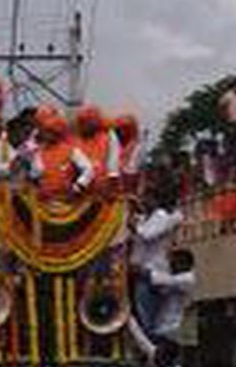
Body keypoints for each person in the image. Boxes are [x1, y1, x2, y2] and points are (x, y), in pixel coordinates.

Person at [130, 186, 185, 332]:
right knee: (145, 314)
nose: (143, 201)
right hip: (142, 272)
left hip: (152, 271)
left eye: (145, 198)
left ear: (154, 200)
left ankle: (155, 347)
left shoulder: (160, 216)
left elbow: (148, 234)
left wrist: (135, 225)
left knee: (149, 318)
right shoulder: (146, 218)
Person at [27, 105, 93, 201]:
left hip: (67, 201)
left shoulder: (72, 151)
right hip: (45, 202)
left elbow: (88, 169)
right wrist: (38, 189)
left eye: (50, 132)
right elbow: (34, 175)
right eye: (45, 131)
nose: (47, 135)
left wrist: (78, 187)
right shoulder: (39, 152)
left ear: (57, 133)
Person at [73, 104, 120, 191]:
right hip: (78, 187)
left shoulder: (109, 135)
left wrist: (112, 184)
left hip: (100, 186)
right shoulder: (74, 136)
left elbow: (113, 165)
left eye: (86, 122)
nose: (83, 125)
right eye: (81, 122)